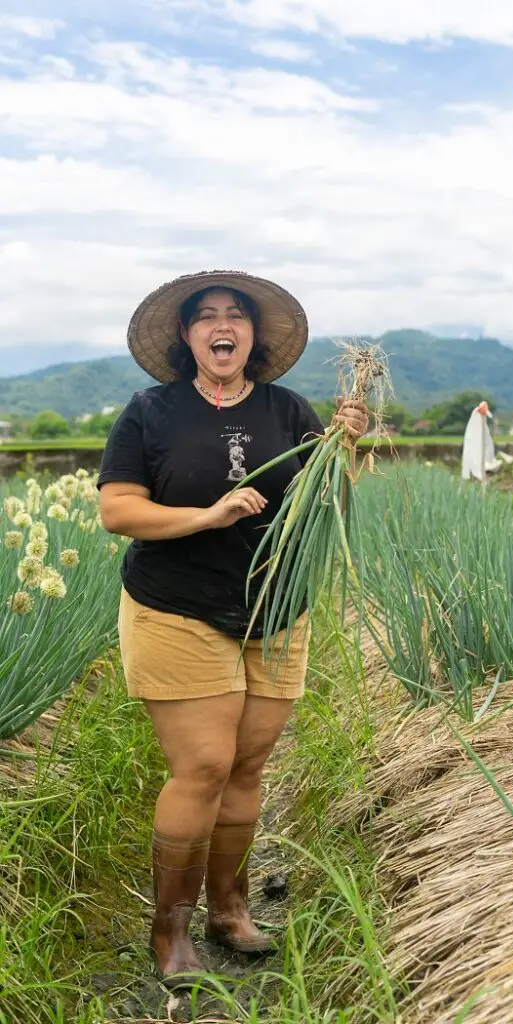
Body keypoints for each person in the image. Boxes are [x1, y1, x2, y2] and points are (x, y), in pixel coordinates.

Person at [97, 270, 368, 988]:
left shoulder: (289, 411)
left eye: (236, 315)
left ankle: (231, 909)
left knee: (247, 769)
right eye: (206, 316)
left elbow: (325, 507)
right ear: (186, 338)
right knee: (205, 767)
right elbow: (119, 510)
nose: (223, 325)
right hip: (176, 605)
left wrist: (341, 453)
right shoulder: (151, 411)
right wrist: (206, 516)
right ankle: (171, 928)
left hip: (276, 610)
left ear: (253, 336)